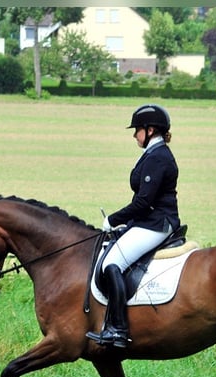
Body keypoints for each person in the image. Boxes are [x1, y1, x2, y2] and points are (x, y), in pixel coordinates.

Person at [86, 103, 181, 349]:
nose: (134, 134)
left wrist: (114, 219)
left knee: (111, 263)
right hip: (148, 221)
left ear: (150, 130)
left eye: (137, 129)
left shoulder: (158, 157)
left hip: (156, 223)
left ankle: (118, 329)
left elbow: (143, 201)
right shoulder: (153, 154)